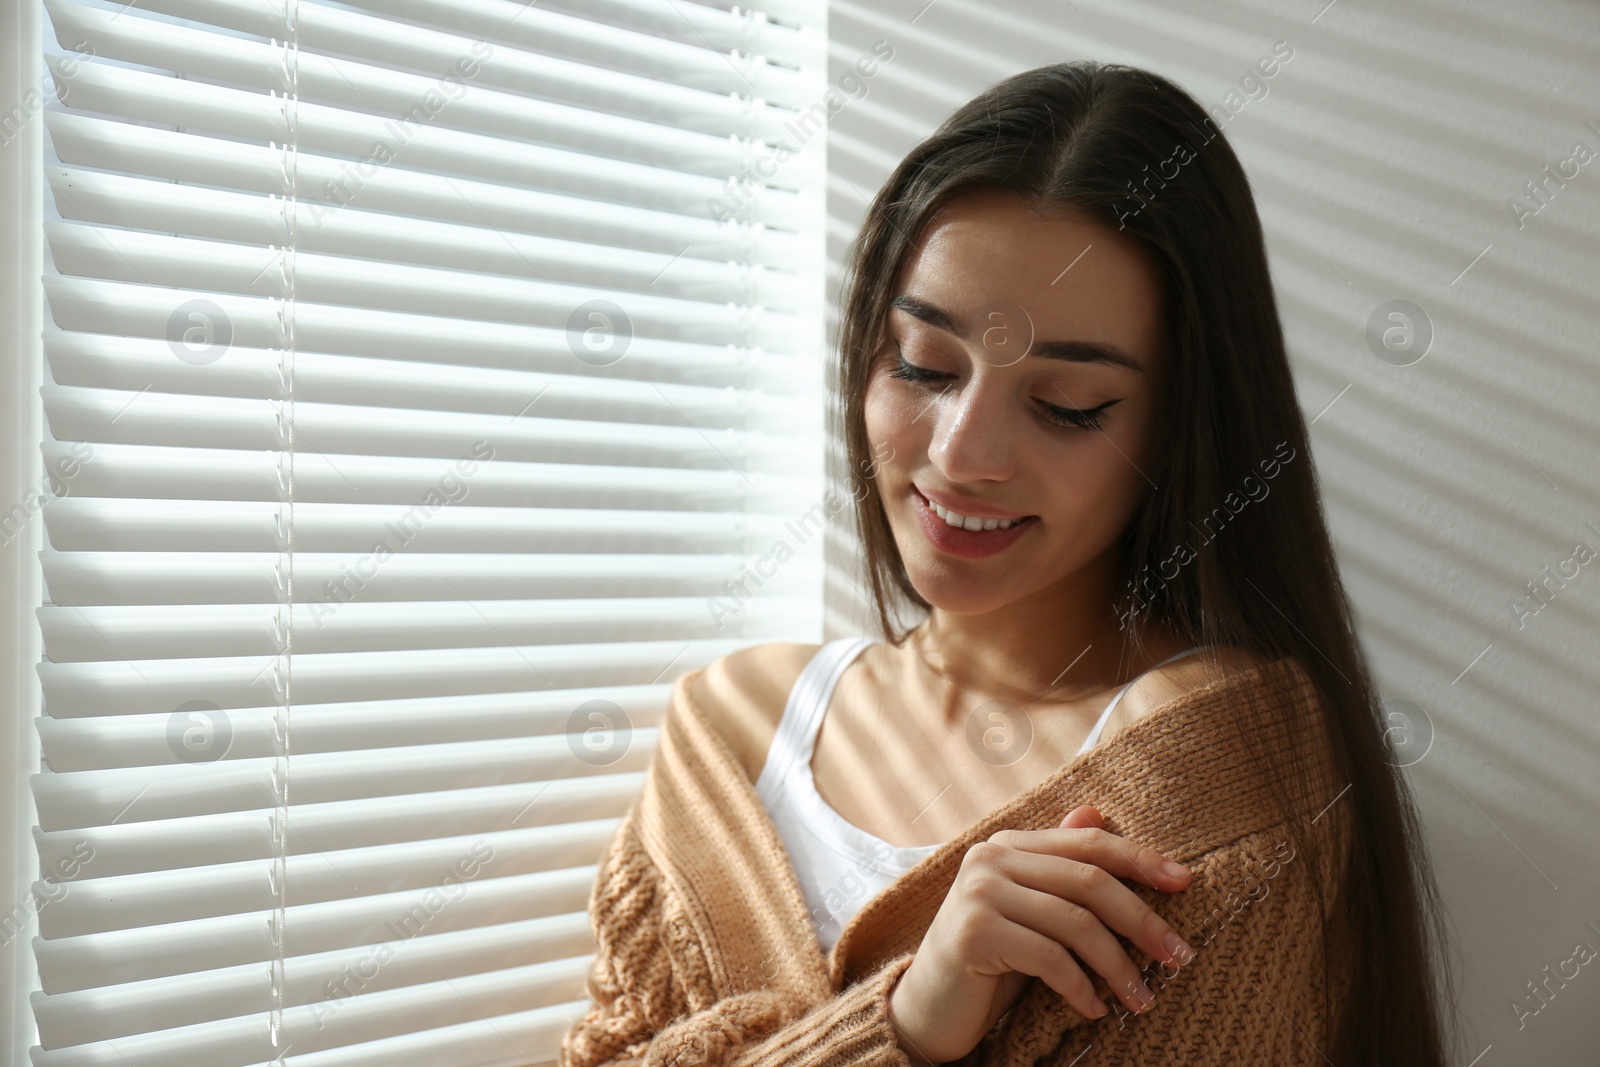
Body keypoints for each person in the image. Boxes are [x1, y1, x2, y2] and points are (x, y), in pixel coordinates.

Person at [559, 60, 1457, 1066]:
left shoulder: (1212, 784)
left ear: (1177, 429)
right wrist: (905, 1022)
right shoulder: (729, 728)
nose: (960, 453)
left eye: (1068, 402)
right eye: (923, 366)